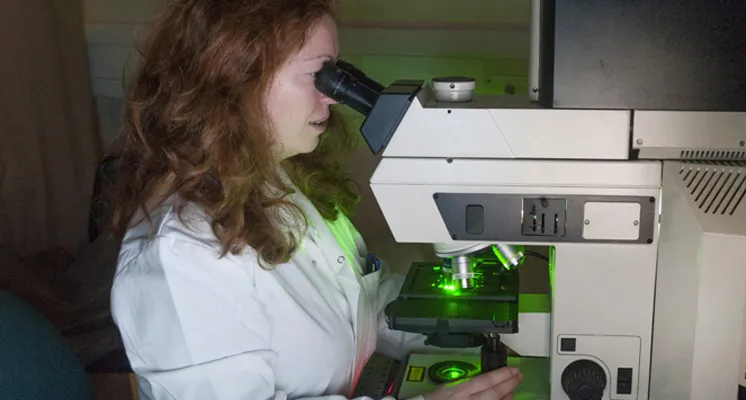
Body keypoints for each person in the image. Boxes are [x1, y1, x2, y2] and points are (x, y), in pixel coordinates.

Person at [102, 1, 522, 399]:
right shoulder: (183, 255)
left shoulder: (278, 184)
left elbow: (363, 298)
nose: (335, 96)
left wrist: (465, 324)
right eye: (318, 76)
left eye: (336, 75)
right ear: (237, 80)